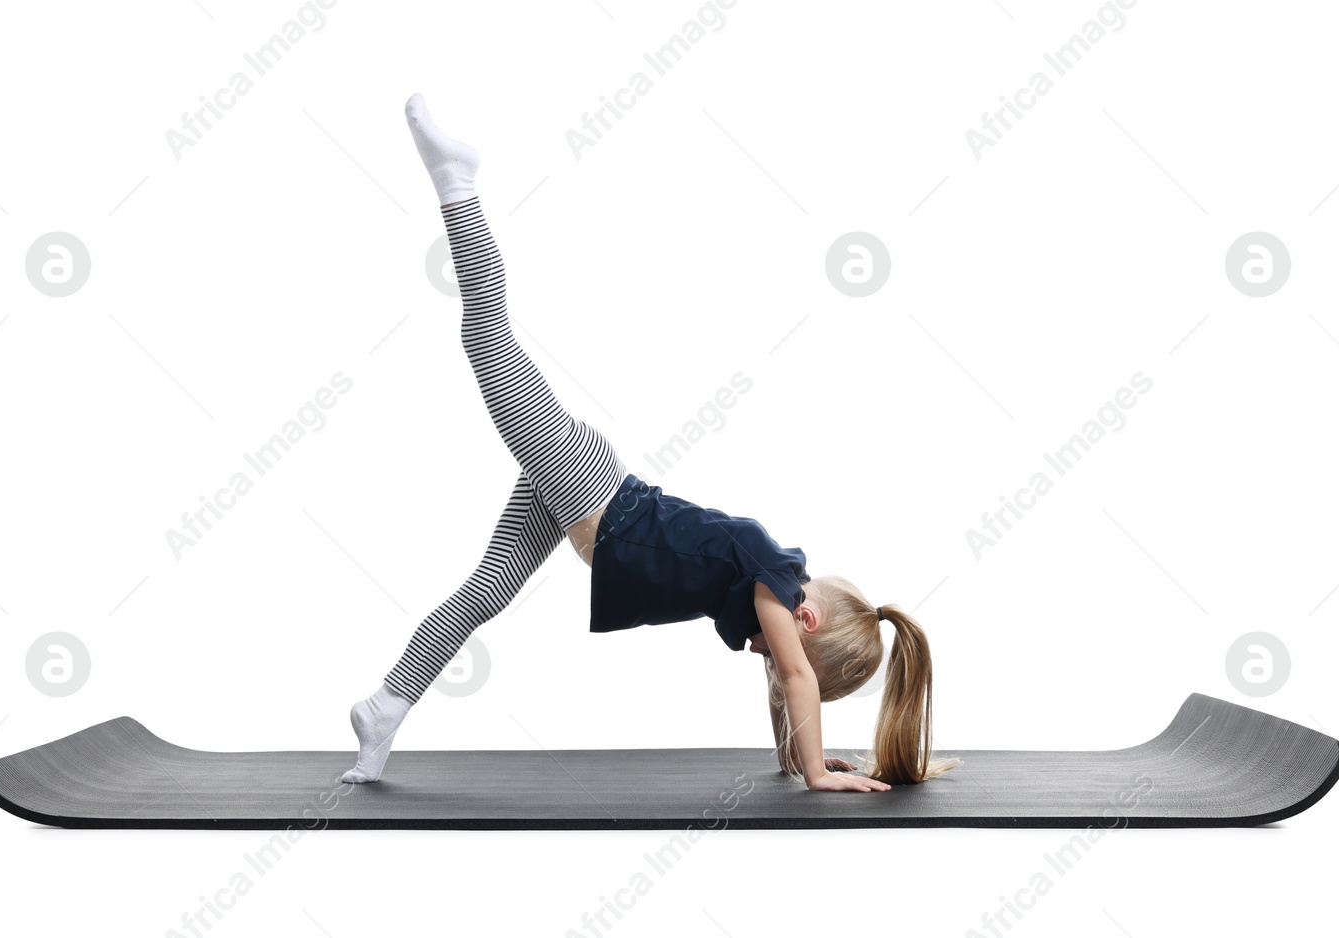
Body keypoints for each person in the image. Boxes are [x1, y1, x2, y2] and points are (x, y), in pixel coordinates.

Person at [340, 94, 960, 793]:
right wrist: (819, 775)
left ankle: (384, 708)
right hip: (591, 490)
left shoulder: (770, 589)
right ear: (805, 620)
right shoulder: (775, 585)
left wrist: (795, 759)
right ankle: (458, 182)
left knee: (485, 591)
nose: (769, 652)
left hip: (586, 501)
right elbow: (792, 674)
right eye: (789, 650)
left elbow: (784, 683)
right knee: (487, 336)